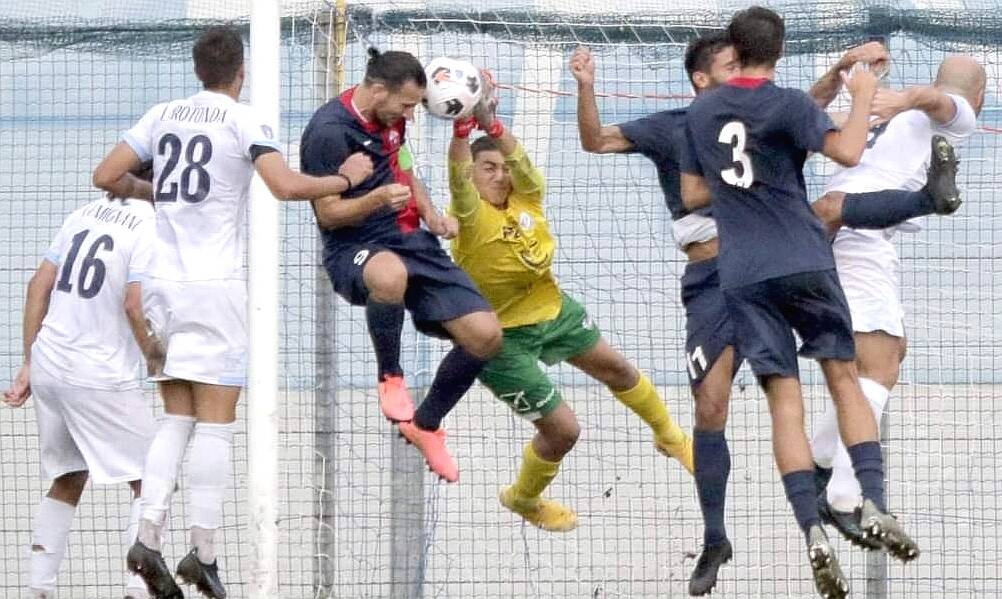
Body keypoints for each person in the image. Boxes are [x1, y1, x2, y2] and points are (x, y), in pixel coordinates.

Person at [572, 33, 890, 596]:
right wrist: (587, 87)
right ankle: (717, 535)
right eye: (727, 65)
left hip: (764, 260)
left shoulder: (764, 108)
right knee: (713, 401)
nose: (739, 70)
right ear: (702, 79)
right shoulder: (677, 125)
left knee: (817, 377)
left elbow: (803, 103)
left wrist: (840, 69)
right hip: (712, 279)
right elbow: (596, 140)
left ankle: (834, 492)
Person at [92, 25, 373, 599]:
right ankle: (204, 553)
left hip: (164, 286)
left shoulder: (162, 113)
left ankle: (147, 539)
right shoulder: (242, 120)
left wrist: (162, 193)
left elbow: (106, 176)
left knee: (176, 419)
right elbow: (286, 186)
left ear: (197, 69)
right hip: (215, 285)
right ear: (240, 72)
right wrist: (346, 178)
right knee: (217, 425)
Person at [679, 7, 918, 598]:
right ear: (780, 52)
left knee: (782, 397)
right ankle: (875, 501)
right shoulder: (788, 104)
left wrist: (744, 175)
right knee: (842, 376)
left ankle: (810, 527)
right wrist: (862, 91)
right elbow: (850, 152)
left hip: (741, 272)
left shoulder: (702, 112)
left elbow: (691, 193)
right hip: (804, 260)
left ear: (733, 50)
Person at [446, 72, 693, 533]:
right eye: (488, 169)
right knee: (564, 431)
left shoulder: (529, 200)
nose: (500, 175)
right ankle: (522, 498)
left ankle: (672, 438)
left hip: (554, 312)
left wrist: (492, 125)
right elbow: (458, 178)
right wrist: (464, 130)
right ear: (473, 176)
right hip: (501, 341)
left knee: (619, 370)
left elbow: (520, 164)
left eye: (503, 168)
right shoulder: (470, 217)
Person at [300, 48, 503, 484]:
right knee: (389, 273)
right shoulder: (328, 132)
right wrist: (374, 199)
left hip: (413, 241)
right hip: (355, 246)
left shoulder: (392, 122)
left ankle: (425, 425)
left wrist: (430, 214)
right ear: (377, 91)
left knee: (487, 335)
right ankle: (391, 377)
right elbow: (328, 215)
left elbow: (406, 171)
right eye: (407, 105)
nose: (412, 114)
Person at [810, 54, 984, 547]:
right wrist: (911, 95)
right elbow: (942, 99)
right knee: (880, 363)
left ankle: (823, 456)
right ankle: (843, 494)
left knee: (886, 353)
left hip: (849, 228)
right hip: (856, 236)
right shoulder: (947, 115)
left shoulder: (883, 119)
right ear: (980, 97)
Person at [4, 167, 160, 599]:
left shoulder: (85, 213)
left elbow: (39, 284)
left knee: (69, 475)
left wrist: (29, 362)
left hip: (51, 362)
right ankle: (138, 586)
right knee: (153, 477)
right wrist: (154, 357)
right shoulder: (153, 226)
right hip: (98, 372)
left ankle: (38, 587)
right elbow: (134, 304)